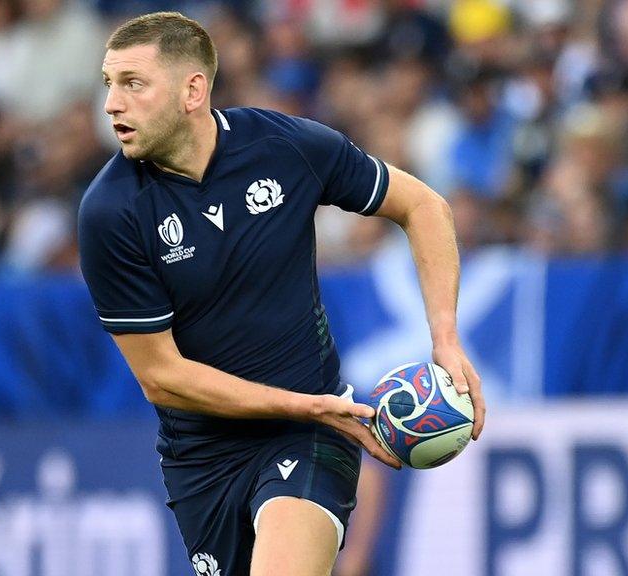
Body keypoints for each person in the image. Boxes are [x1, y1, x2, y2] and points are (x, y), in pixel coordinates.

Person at [77, 12, 486, 576]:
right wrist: (310, 404)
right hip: (204, 460)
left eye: (133, 84)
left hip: (310, 434)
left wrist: (445, 338)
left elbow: (424, 206)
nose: (111, 105)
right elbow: (161, 376)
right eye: (109, 84)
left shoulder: (283, 147)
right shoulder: (110, 213)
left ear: (193, 90)